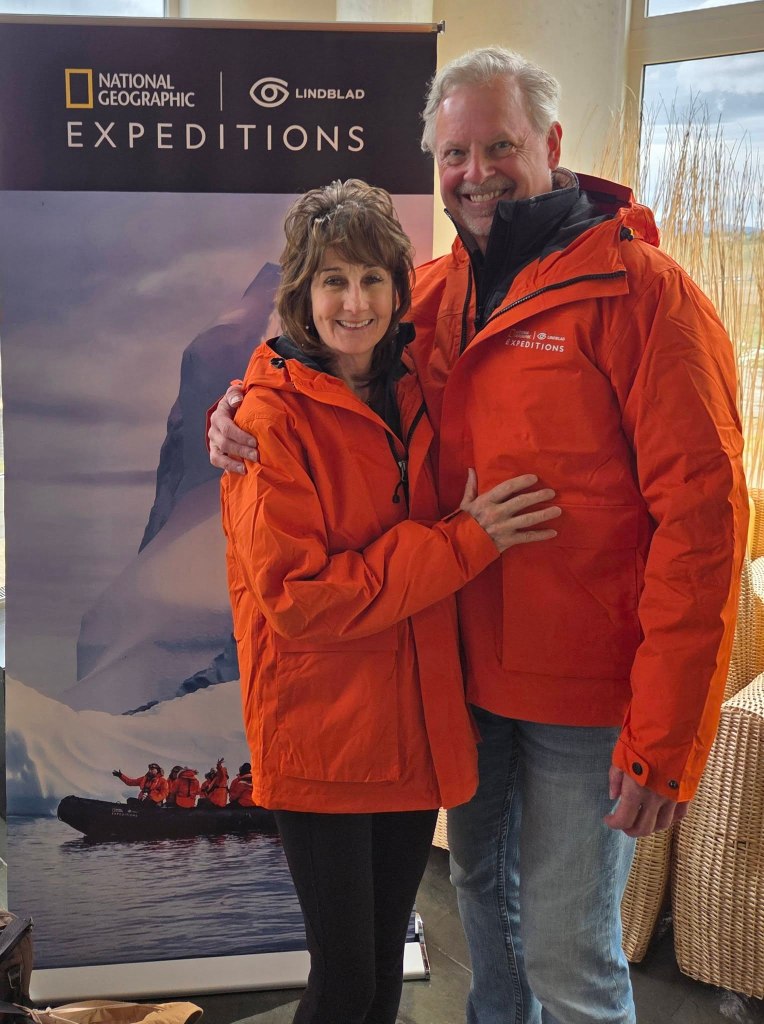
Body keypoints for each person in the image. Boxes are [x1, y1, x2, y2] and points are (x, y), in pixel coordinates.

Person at [209, 49, 748, 1024]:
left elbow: (703, 526)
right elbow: (314, 345)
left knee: (568, 957)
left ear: (549, 143)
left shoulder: (646, 297)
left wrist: (668, 735)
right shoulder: (432, 292)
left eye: (498, 145)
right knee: (486, 929)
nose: (475, 171)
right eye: (453, 152)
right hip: (455, 683)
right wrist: (237, 406)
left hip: (581, 701)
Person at [220, 177, 560, 1024]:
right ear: (301, 294)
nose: (355, 302)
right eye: (333, 280)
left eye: (373, 279)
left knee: (381, 975)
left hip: (411, 729)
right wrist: (463, 543)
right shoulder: (269, 418)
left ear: (399, 290)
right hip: (324, 740)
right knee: (344, 985)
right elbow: (300, 598)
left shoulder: (414, 385)